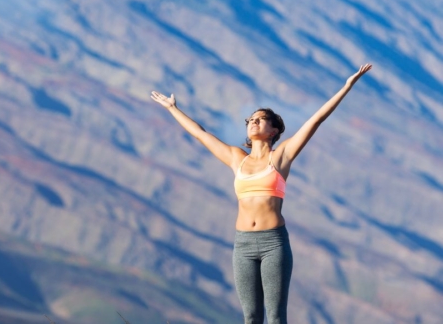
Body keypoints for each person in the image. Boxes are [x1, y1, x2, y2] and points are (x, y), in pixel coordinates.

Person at [150, 63, 372, 323]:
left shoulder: (281, 157)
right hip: (242, 245)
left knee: (276, 317)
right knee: (251, 317)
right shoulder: (236, 158)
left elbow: (316, 120)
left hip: (273, 244)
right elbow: (200, 134)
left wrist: (346, 86)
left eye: (260, 119)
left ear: (274, 130)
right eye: (250, 120)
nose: (253, 122)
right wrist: (173, 109)